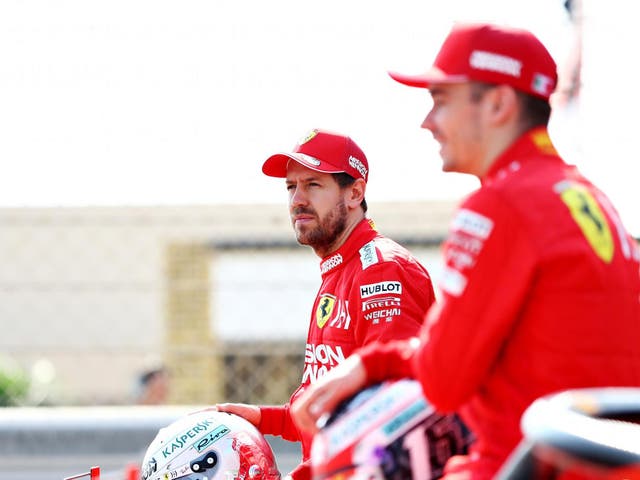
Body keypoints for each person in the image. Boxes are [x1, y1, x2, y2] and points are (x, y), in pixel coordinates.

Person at [290, 22, 640, 479]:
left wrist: (371, 366)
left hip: (523, 465)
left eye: (441, 101)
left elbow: (444, 381)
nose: (427, 121)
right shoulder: (591, 196)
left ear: (497, 103)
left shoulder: (499, 205)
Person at [215, 128, 438, 479]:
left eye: (313, 185)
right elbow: (332, 406)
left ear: (355, 193)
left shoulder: (380, 271)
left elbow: (389, 412)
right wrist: (265, 418)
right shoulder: (339, 268)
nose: (297, 200)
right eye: (291, 187)